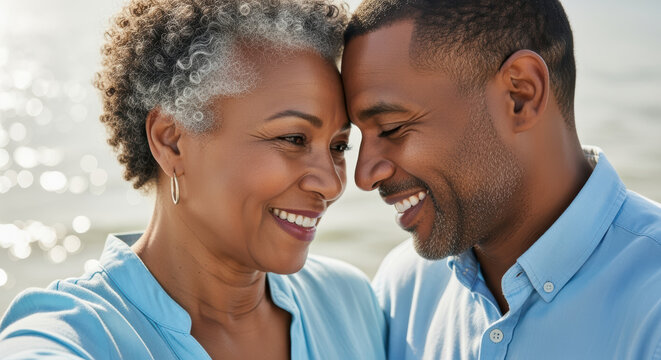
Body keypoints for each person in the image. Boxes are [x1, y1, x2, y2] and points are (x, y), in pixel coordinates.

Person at [0, 0, 387, 359]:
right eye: (293, 139)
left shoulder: (349, 303)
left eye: (339, 146)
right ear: (171, 141)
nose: (332, 185)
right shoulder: (72, 336)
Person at [341, 0, 661, 359]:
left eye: (391, 128)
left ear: (520, 94)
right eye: (355, 139)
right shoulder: (404, 290)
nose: (364, 176)